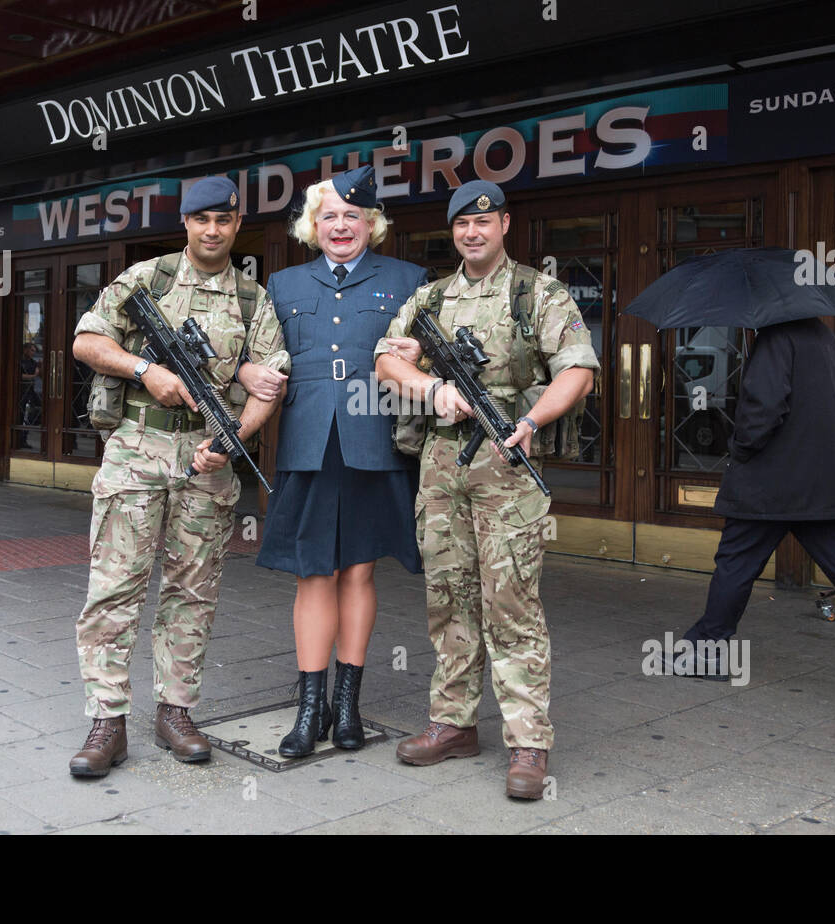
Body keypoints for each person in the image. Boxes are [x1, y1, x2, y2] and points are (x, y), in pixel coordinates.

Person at [374, 180, 598, 799]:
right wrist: (431, 388)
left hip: (506, 461)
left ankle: (529, 743)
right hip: (443, 463)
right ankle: (453, 724)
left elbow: (578, 367)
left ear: (504, 224)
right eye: (461, 227)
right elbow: (385, 360)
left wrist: (529, 423)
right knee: (448, 596)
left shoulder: (538, 292)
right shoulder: (431, 298)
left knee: (512, 603)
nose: (472, 233)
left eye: (484, 223)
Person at [67, 176, 288, 778]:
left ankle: (176, 711)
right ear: (185, 223)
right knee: (115, 585)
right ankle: (107, 720)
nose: (212, 230)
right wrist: (145, 370)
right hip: (138, 443)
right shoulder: (147, 279)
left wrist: (234, 438)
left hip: (207, 456)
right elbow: (86, 339)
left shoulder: (253, 299)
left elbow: (272, 380)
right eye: (201, 220)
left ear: (237, 224)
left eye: (223, 219)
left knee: (193, 590)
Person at [254, 165, 426, 758]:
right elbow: (258, 359)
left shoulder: (409, 281)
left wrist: (419, 353)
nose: (341, 225)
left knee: (358, 570)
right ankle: (310, 709)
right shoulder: (281, 286)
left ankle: (347, 705)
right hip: (307, 445)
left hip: (373, 445)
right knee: (312, 572)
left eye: (353, 215)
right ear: (312, 225)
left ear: (372, 224)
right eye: (329, 215)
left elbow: (427, 358)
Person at [670, 316, 835, 702]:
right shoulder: (824, 336)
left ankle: (707, 650)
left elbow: (763, 410)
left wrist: (739, 447)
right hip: (821, 482)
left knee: (735, 563)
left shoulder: (776, 338)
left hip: (770, 484)